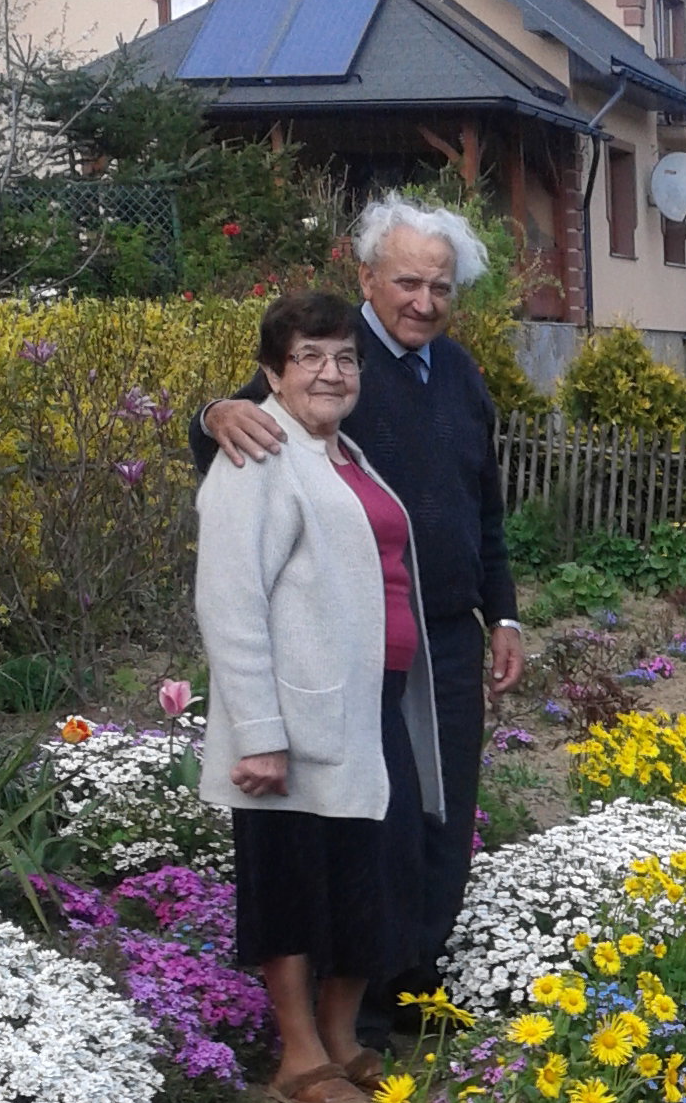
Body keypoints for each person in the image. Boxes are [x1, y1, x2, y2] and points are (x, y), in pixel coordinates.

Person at [190, 196, 522, 1028]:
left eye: (440, 286)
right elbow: (237, 431)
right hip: (350, 645)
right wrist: (211, 413)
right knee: (375, 825)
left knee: (441, 824)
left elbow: (484, 508)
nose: (424, 300)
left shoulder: (459, 373)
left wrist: (504, 615)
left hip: (444, 636)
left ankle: (410, 983)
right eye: (407, 280)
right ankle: (358, 1007)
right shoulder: (331, 365)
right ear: (368, 276)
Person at [196, 289, 443, 1103]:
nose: (330, 373)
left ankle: (343, 1038)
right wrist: (258, 734)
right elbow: (230, 604)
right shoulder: (259, 454)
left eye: (344, 358)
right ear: (273, 372)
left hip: (370, 703)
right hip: (295, 718)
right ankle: (297, 1056)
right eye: (309, 358)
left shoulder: (344, 453)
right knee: (293, 882)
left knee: (368, 874)